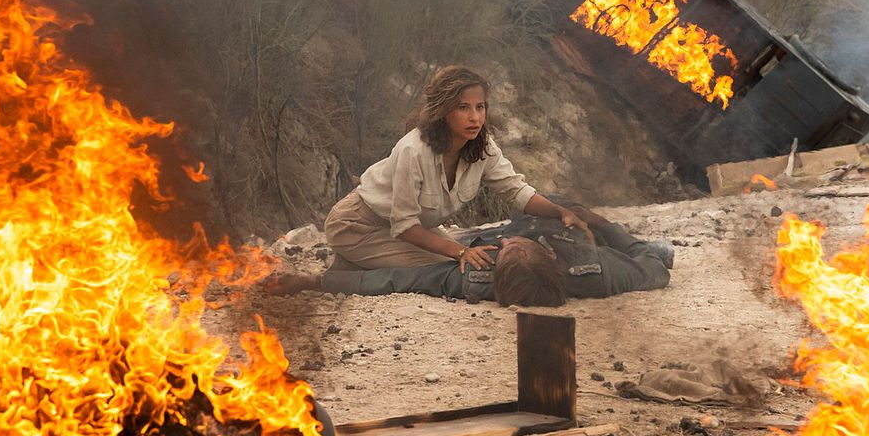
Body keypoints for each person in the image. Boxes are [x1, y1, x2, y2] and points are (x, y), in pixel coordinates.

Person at [323, 66, 590, 274]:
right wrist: (459, 251)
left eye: (480, 107)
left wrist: (559, 211)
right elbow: (404, 226)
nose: (475, 117)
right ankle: (345, 270)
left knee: (475, 257)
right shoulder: (413, 150)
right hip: (358, 226)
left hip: (410, 229)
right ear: (443, 111)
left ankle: (369, 262)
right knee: (449, 265)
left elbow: (516, 191)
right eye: (463, 108)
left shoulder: (482, 146)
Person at [271, 205, 673, 306]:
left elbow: (400, 281)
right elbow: (653, 271)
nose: (504, 251)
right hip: (571, 236)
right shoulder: (597, 272)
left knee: (405, 251)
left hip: (492, 235)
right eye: (510, 251)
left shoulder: (476, 278)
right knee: (658, 255)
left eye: (505, 254)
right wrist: (601, 224)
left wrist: (316, 282)